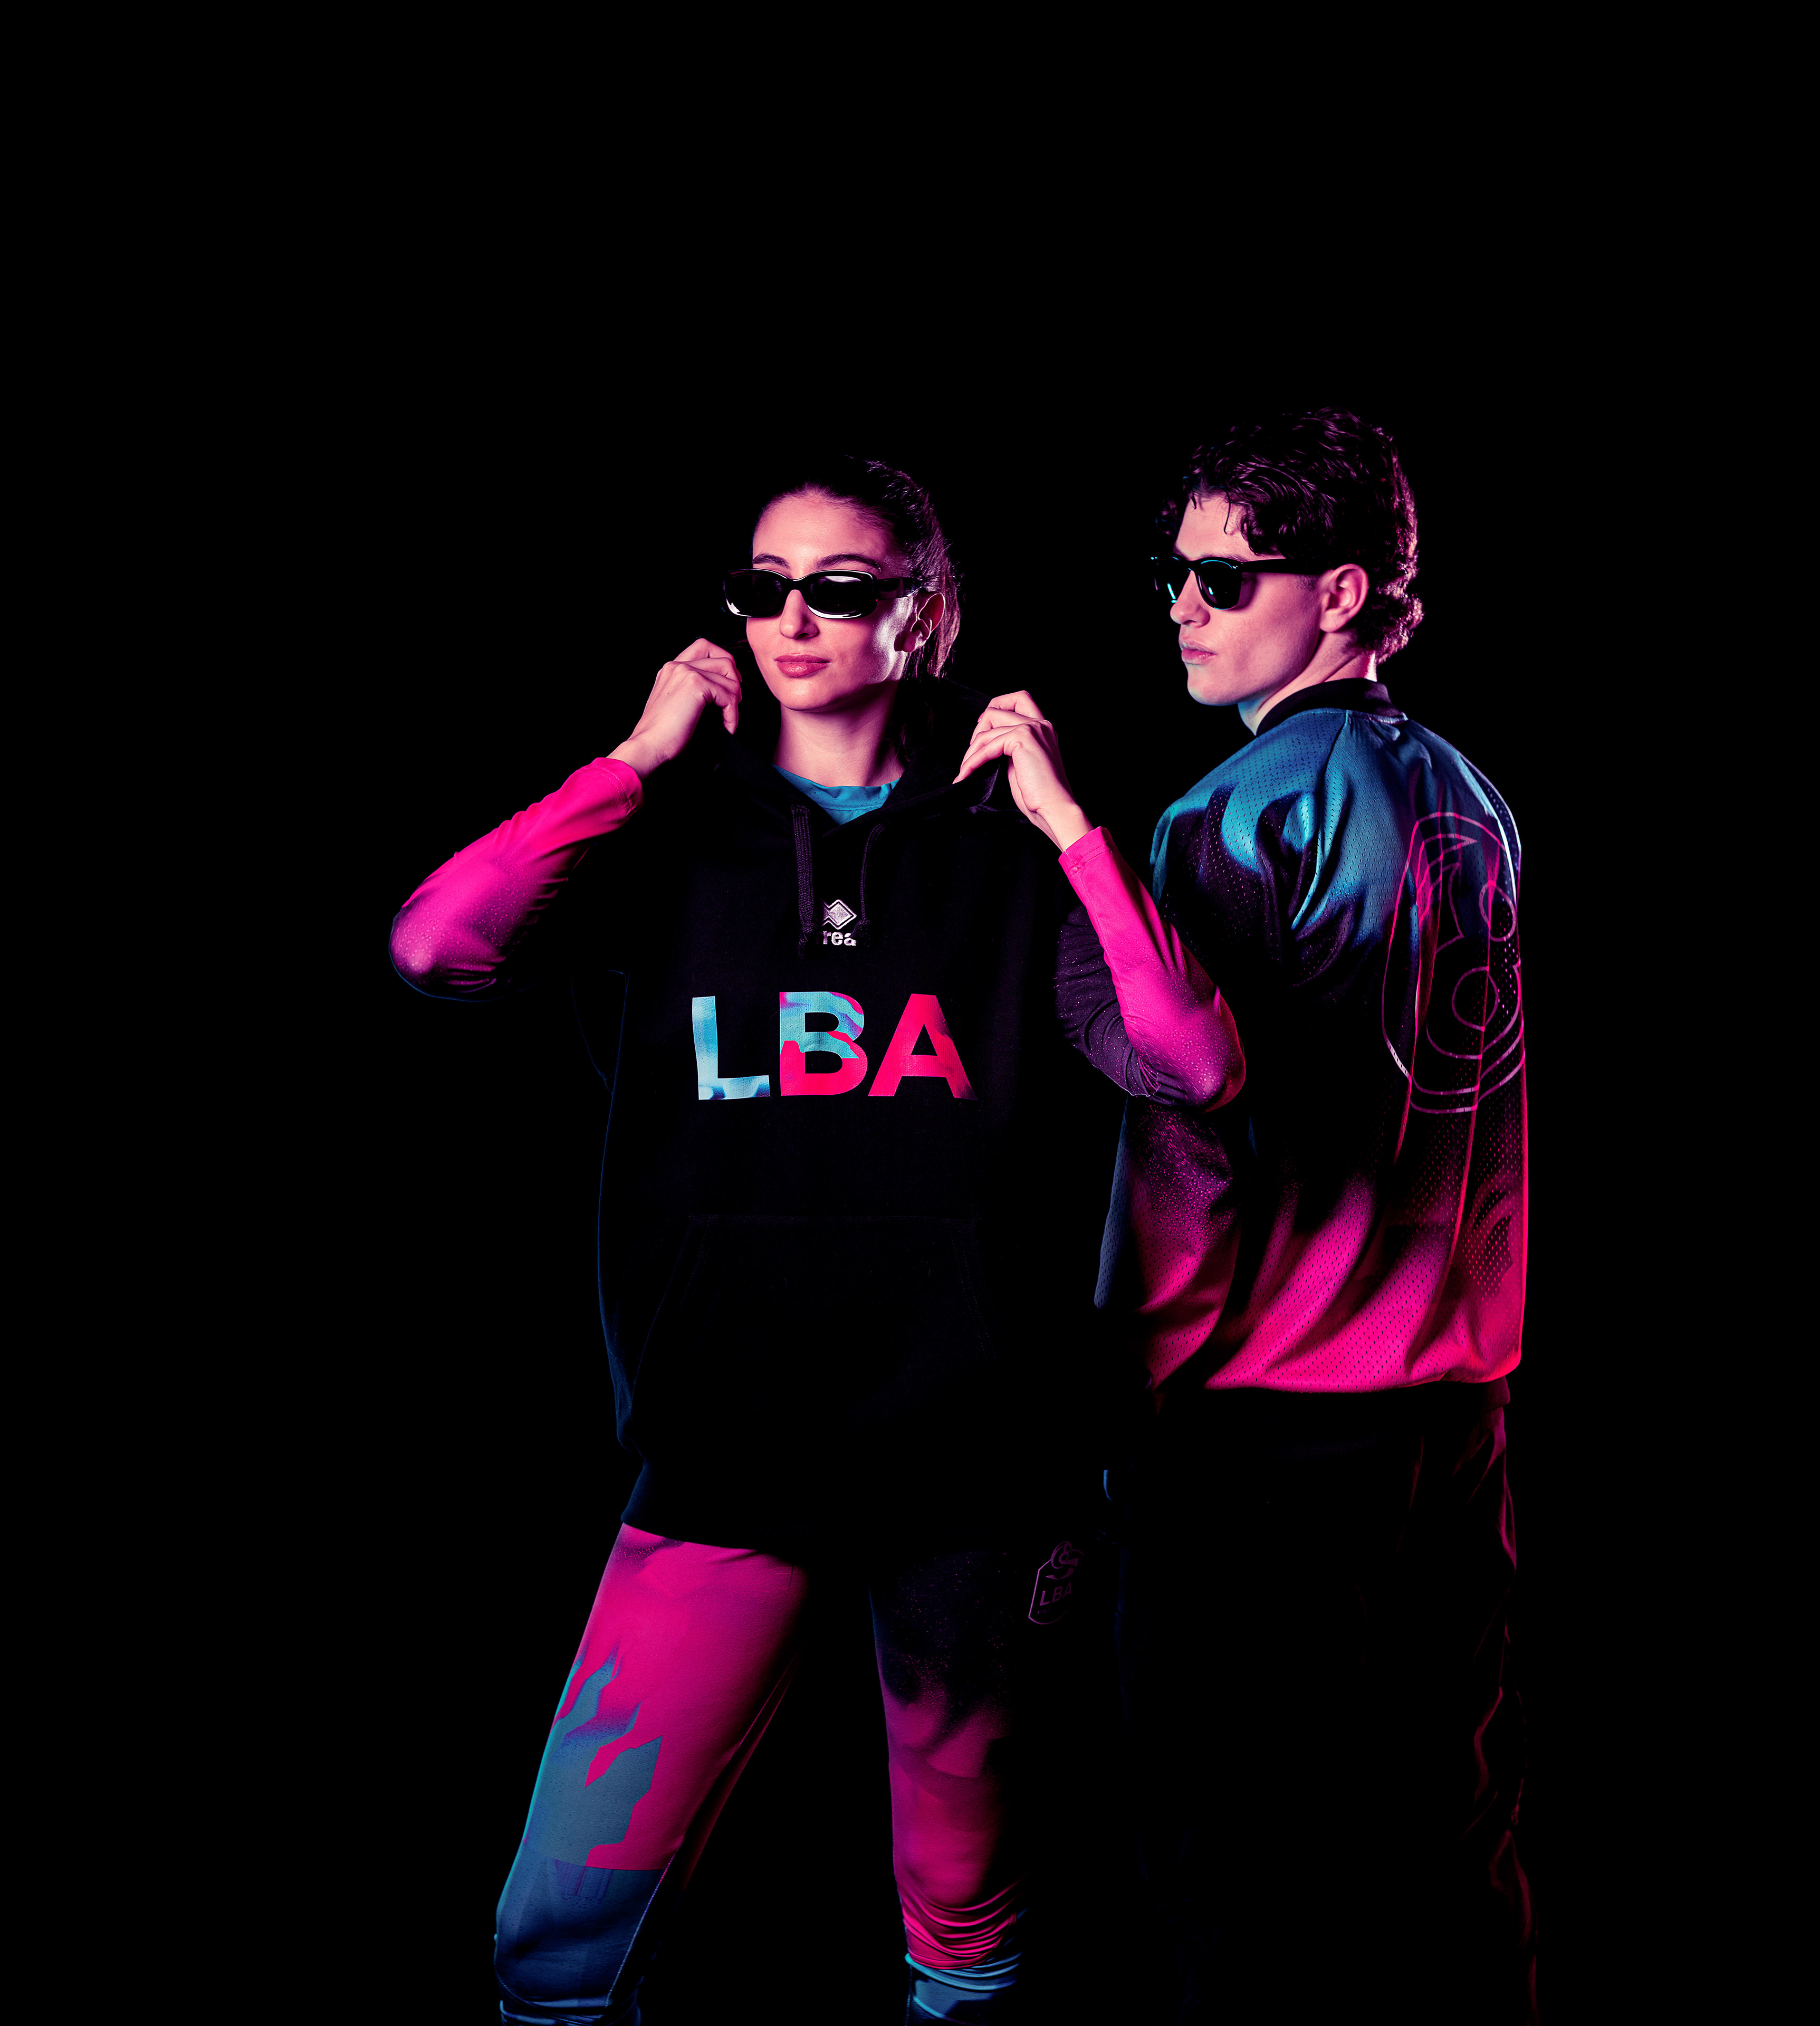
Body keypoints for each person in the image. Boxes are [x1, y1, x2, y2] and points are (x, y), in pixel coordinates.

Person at [389, 453, 1243, 2025]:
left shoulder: (1012, 851)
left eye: (841, 590)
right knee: (551, 1939)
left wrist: (1068, 825)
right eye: (763, 588)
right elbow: (438, 946)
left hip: (974, 1470)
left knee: (967, 1932)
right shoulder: (665, 838)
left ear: (929, 616)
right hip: (726, 1453)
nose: (793, 621)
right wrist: (634, 759)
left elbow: (1191, 1065)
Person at [1104, 410, 1537, 2021]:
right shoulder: (1478, 803)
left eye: (1225, 577)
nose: (1183, 606)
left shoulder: (1229, 815)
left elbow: (1187, 1161)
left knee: (1236, 1874)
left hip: (1266, 1438)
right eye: (1173, 573)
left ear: (1344, 592)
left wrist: (1118, 1399)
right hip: (1456, 1416)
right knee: (1450, 1844)